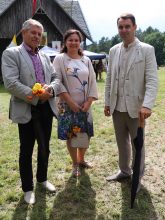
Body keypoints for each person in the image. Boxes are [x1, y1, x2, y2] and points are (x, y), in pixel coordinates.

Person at [1, 19, 60, 204]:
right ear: (23, 32)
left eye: (39, 33)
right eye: (33, 32)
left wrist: (50, 89)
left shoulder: (43, 55)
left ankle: (42, 179)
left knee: (45, 148)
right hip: (27, 108)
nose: (36, 36)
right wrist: (36, 95)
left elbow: (55, 76)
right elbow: (10, 83)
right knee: (26, 150)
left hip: (46, 109)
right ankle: (28, 188)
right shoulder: (12, 53)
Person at [104, 13, 158, 190]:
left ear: (135, 27)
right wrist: (107, 102)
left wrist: (147, 104)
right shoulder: (113, 51)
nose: (124, 30)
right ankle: (124, 170)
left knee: (138, 145)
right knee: (122, 143)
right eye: (121, 27)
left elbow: (152, 80)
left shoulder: (147, 49)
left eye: (127, 26)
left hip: (137, 108)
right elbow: (109, 79)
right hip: (117, 107)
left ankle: (138, 176)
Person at [53, 29, 98, 177]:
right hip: (67, 106)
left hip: (85, 106)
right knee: (72, 135)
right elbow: (57, 82)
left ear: (80, 42)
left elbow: (92, 82)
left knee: (85, 134)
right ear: (65, 42)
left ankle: (82, 159)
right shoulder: (60, 59)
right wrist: (70, 102)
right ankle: (75, 164)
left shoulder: (86, 60)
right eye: (70, 40)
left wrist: (90, 101)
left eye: (76, 40)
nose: (73, 42)